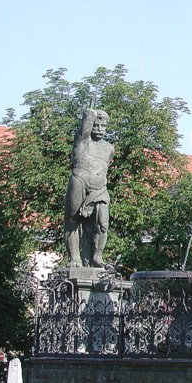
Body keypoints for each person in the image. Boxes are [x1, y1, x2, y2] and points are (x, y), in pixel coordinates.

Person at [64, 109, 114, 267]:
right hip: (79, 182)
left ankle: (97, 256)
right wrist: (91, 114)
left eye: (103, 126)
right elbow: (86, 122)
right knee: (73, 222)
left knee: (103, 223)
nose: (99, 129)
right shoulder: (83, 140)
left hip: (99, 189)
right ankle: (75, 258)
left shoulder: (109, 148)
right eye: (96, 125)